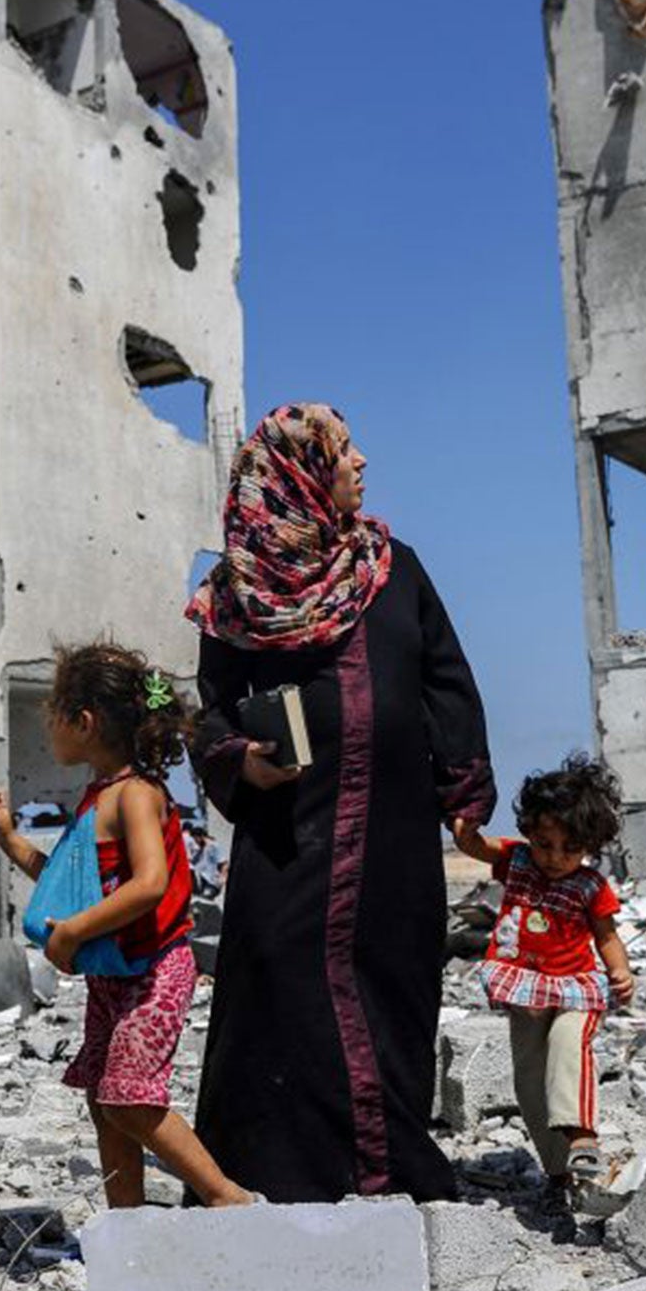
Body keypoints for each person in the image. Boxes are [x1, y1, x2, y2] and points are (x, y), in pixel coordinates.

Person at [187, 403, 495, 1203]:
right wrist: (240, 764)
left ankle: (391, 1172)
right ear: (295, 478)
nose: (363, 462)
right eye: (344, 451)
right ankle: (274, 1180)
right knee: (282, 999)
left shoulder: (396, 570)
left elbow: (446, 681)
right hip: (291, 841)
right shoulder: (237, 593)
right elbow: (210, 709)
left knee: (393, 987)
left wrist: (464, 792)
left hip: (392, 836)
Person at [0, 641, 256, 1210]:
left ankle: (228, 1198)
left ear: (83, 722)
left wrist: (75, 932)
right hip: (113, 978)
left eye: (53, 713)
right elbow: (65, 883)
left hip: (153, 973)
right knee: (105, 1104)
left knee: (129, 1099)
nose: (48, 725)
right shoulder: (94, 798)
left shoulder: (134, 795)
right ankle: (127, 1224)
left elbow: (150, 884)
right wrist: (9, 838)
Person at [451, 755, 633, 1205]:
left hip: (574, 986)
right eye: (545, 844)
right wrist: (465, 830)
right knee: (530, 1080)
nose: (554, 858)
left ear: (589, 845)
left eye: (569, 850)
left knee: (568, 1050)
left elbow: (606, 936)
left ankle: (582, 1138)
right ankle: (558, 1172)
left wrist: (621, 972)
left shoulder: (591, 886)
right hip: (525, 986)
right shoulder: (516, 860)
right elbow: (476, 848)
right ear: (531, 832)